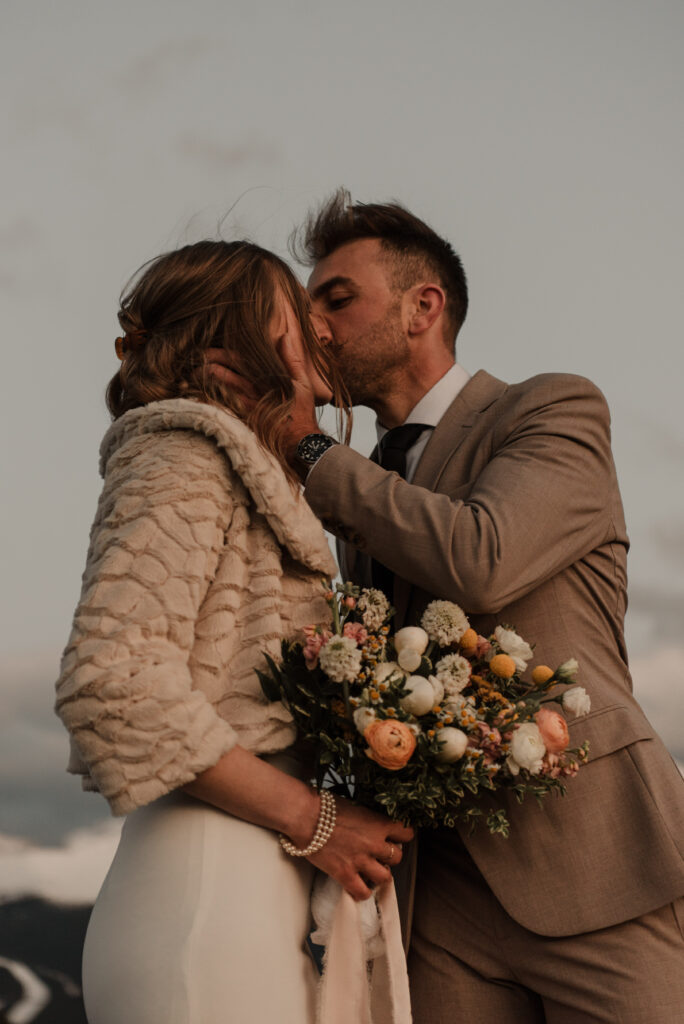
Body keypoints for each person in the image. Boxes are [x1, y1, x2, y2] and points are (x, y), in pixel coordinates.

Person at [211, 191, 684, 1023]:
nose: (314, 325)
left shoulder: (550, 410)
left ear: (423, 306)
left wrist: (304, 445)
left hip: (594, 862)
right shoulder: (357, 487)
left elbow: (482, 557)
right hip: (435, 897)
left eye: (337, 298)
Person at [54, 238, 413, 1024]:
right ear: (233, 339)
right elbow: (111, 684)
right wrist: (316, 823)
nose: (321, 330)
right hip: (202, 891)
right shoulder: (181, 454)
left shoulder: (244, 467)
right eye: (297, 310)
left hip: (246, 881)